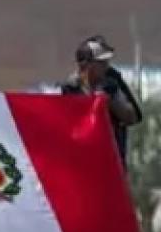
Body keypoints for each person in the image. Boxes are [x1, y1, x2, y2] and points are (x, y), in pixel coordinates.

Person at [60, 36, 142, 166]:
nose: (106, 66)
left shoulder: (112, 83)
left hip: (112, 162)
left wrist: (110, 101)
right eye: (101, 63)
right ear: (86, 65)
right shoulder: (70, 88)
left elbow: (132, 117)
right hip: (83, 161)